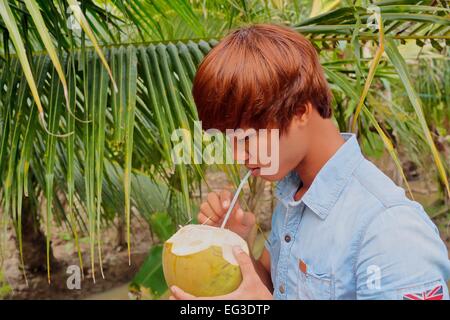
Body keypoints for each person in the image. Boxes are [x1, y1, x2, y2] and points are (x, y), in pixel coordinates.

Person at [169, 23, 450, 300]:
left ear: (300, 111)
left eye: (246, 138)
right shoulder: (296, 196)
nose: (237, 156)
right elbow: (275, 289)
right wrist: (237, 247)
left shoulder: (389, 228)